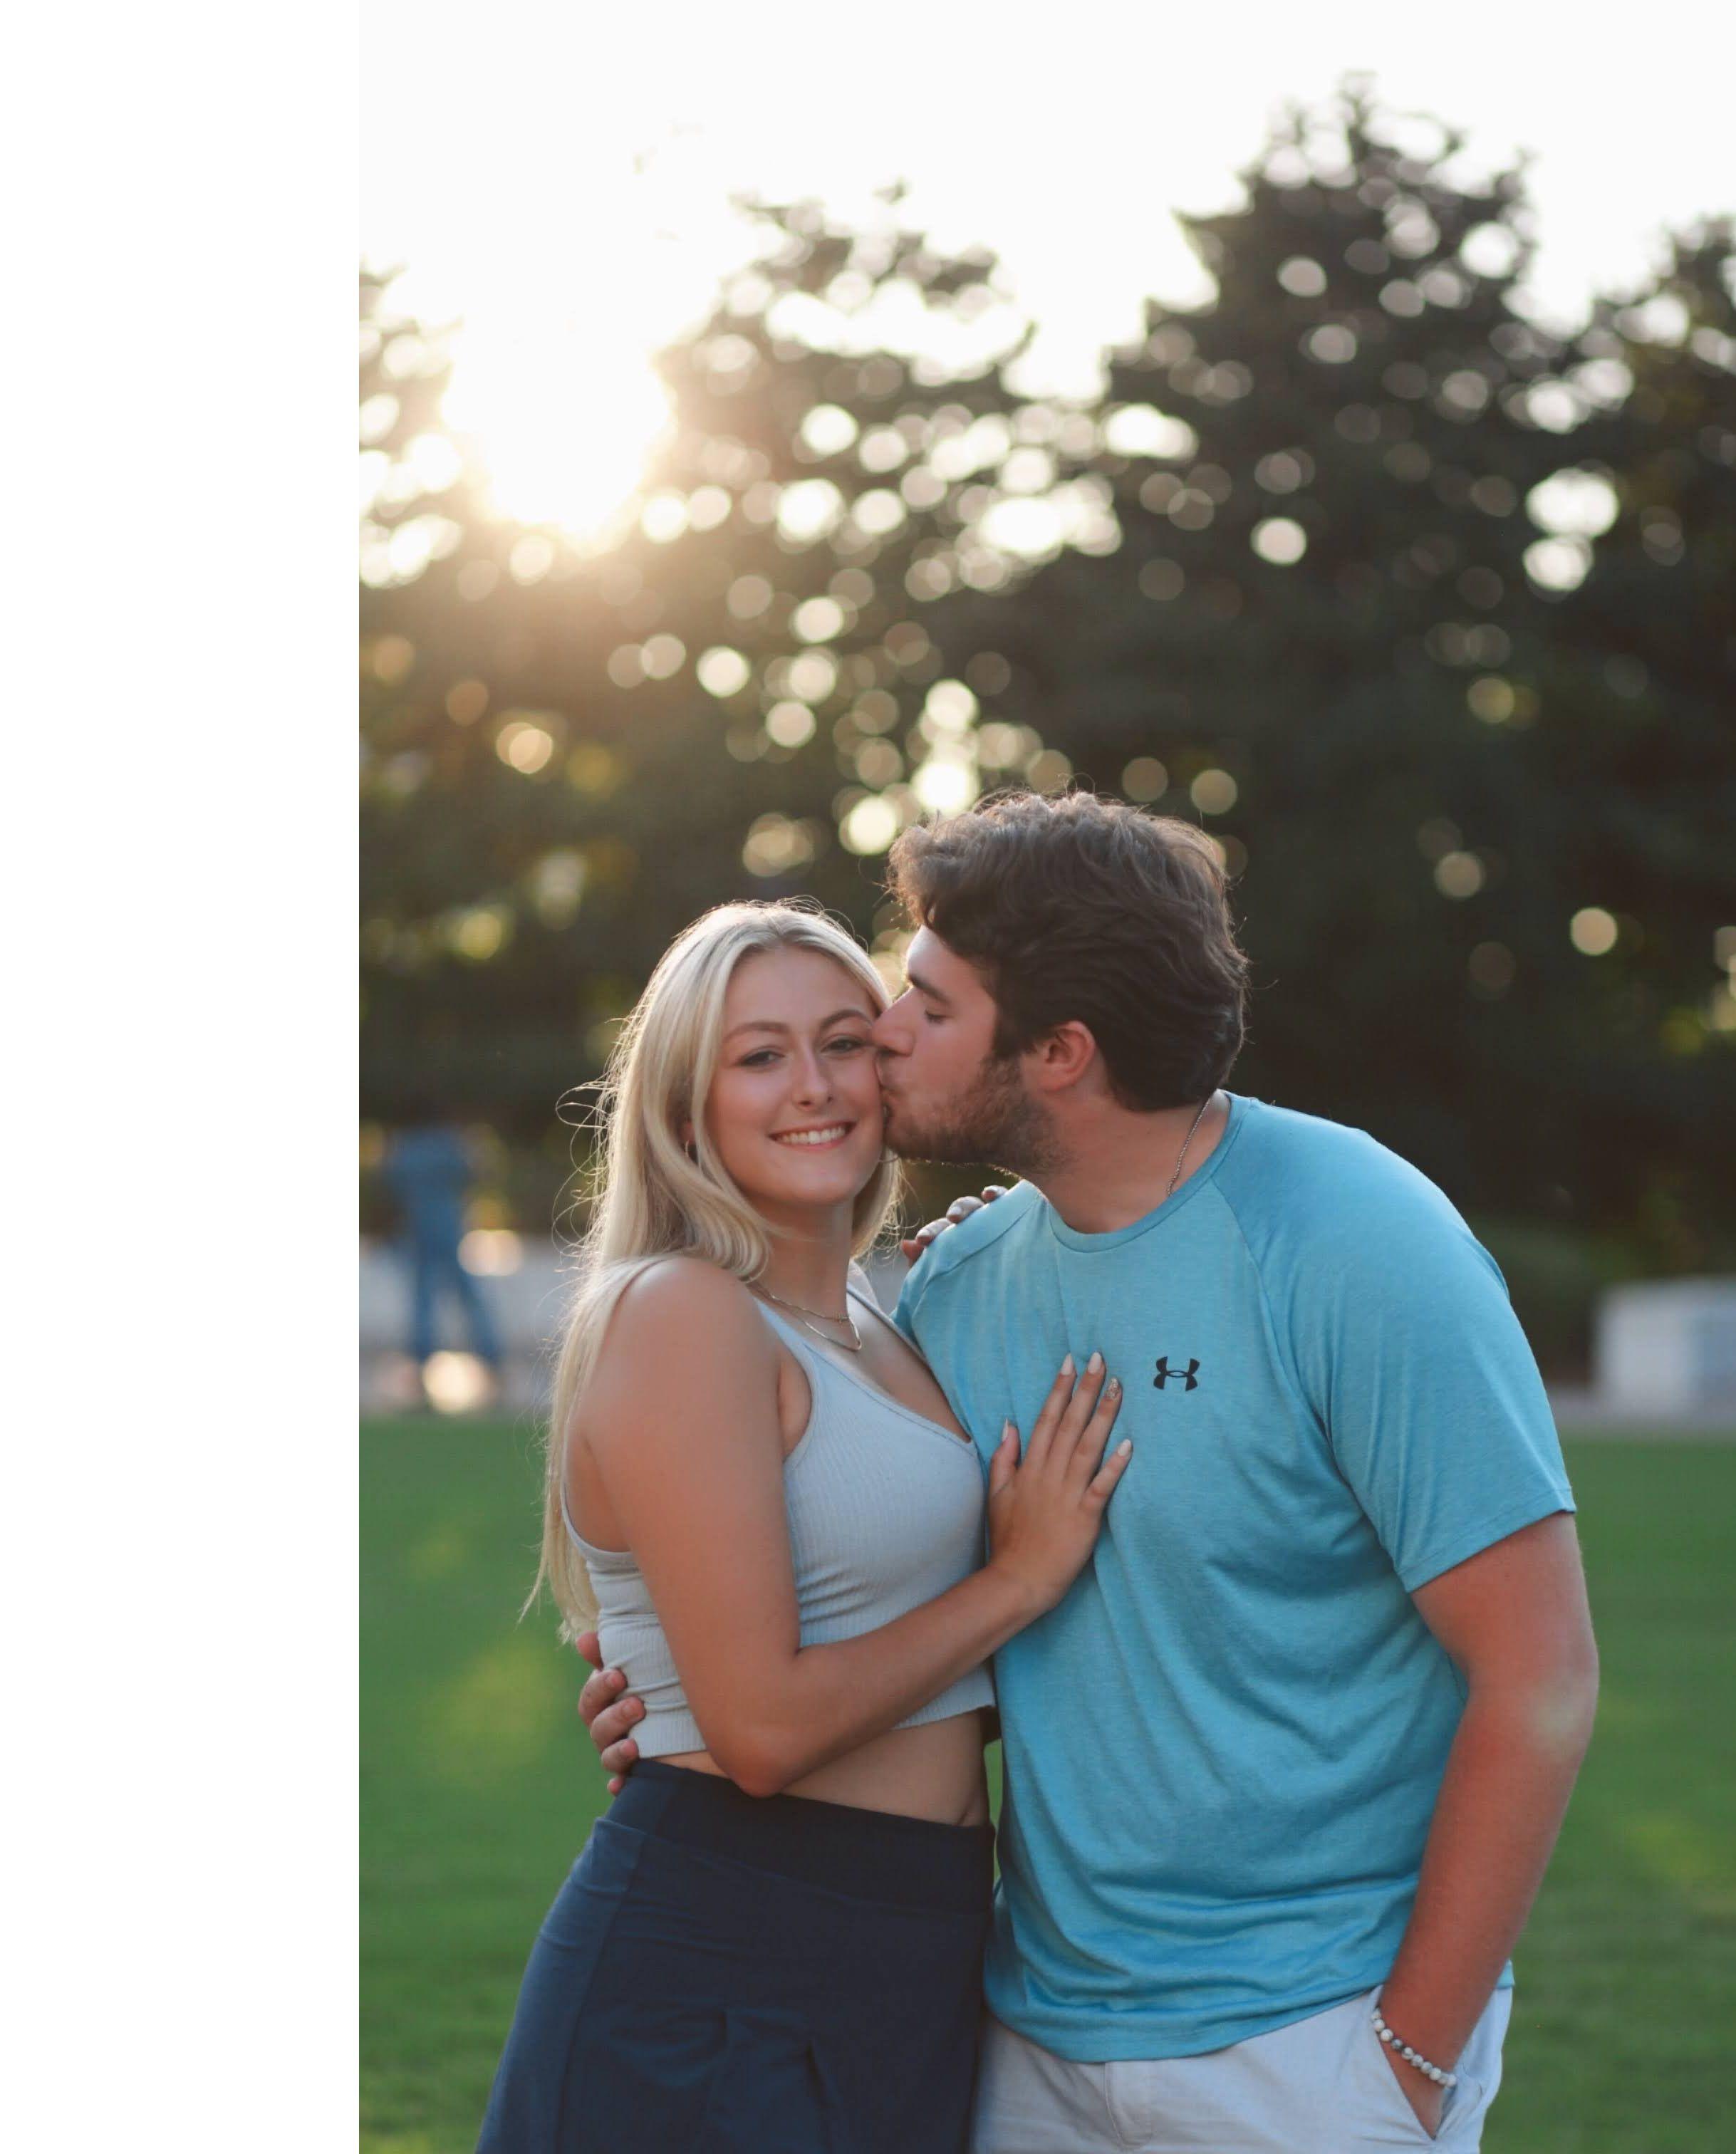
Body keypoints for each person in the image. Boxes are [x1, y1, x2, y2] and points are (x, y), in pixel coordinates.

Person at [581, 790, 1601, 2153]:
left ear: (1057, 1050)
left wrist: (1405, 2055)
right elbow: (949, 1639)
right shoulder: (951, 1286)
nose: (882, 1035)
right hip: (1018, 2040)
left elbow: (1539, 1673)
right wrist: (676, 1701)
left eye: (925, 1009)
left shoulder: (1356, 1241)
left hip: (1306, 2045)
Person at [476, 901, 1133, 2154]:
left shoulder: (886, 1327)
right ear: (683, 1109)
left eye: (845, 1041)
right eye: (759, 1054)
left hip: (913, 1952)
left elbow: (914, 1670)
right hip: (722, 1963)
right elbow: (765, 1732)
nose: (814, 1084)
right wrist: (1017, 1577)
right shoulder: (685, 1311)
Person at [382, 1101, 504, 1390]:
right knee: (467, 1295)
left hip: (417, 1230)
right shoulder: (448, 1145)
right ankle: (490, 1355)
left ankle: (422, 1359)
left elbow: (391, 1185)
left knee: (423, 1299)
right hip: (448, 1229)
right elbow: (472, 1173)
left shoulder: (406, 1150)